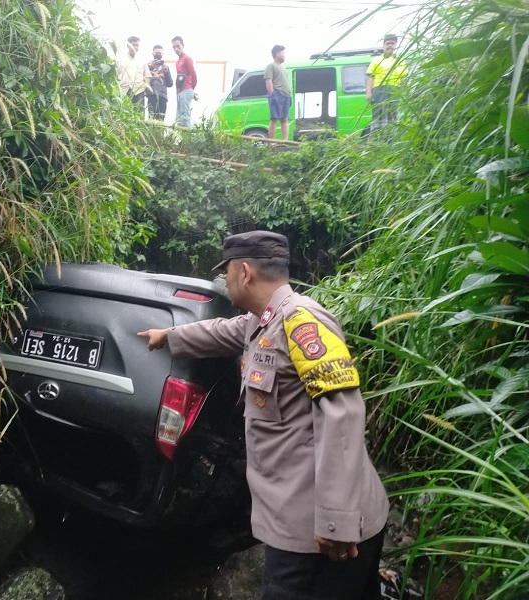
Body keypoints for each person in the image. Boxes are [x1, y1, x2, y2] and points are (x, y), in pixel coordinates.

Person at [138, 230, 389, 600]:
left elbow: (343, 411)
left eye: (225, 272)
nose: (224, 280)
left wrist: (337, 520)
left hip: (316, 535)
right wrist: (169, 336)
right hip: (305, 522)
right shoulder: (263, 321)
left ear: (244, 272)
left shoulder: (302, 323)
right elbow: (222, 331)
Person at [366, 34, 408, 132]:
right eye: (387, 43)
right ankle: (377, 138)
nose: (390, 45)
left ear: (395, 45)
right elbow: (371, 77)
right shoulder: (376, 60)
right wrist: (368, 93)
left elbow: (404, 78)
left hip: (394, 91)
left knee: (392, 115)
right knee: (378, 115)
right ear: (383, 46)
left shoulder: (400, 60)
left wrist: (404, 91)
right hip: (378, 91)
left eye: (392, 43)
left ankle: (391, 138)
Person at [264, 45, 292, 140]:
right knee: (274, 119)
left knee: (285, 119)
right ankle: (272, 141)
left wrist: (289, 95)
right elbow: (268, 81)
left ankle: (285, 141)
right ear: (277, 54)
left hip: (286, 96)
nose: (284, 55)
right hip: (277, 94)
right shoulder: (271, 66)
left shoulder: (283, 68)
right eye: (283, 53)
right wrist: (272, 95)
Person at [116, 35, 151, 110]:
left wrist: (145, 86)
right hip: (124, 91)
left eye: (137, 45)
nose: (135, 47)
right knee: (124, 114)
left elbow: (148, 75)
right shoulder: (120, 58)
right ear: (128, 45)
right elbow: (116, 75)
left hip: (139, 91)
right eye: (133, 45)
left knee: (139, 115)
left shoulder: (142, 59)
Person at [171, 36, 198, 127]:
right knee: (179, 119)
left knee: (185, 117)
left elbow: (193, 74)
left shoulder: (187, 59)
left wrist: (191, 89)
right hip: (179, 91)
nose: (176, 49)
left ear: (182, 45)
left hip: (186, 90)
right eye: (174, 47)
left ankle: (188, 140)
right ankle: (182, 139)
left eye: (178, 46)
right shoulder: (177, 62)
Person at [146, 44, 173, 121]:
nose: (158, 55)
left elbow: (170, 84)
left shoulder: (165, 67)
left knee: (161, 118)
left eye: (159, 53)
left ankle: (159, 133)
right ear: (153, 54)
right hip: (152, 94)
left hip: (163, 96)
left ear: (162, 54)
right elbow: (144, 80)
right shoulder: (148, 66)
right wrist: (150, 68)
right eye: (156, 53)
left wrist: (167, 72)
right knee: (151, 117)